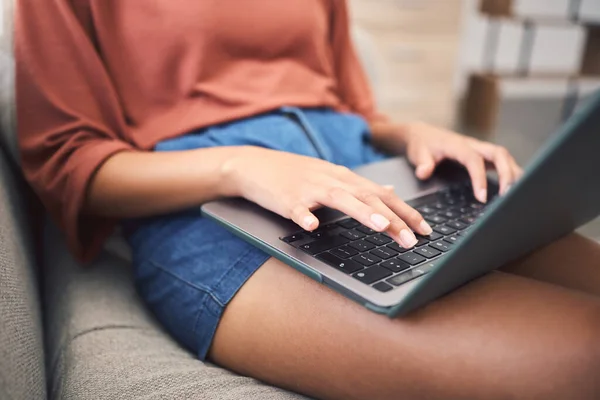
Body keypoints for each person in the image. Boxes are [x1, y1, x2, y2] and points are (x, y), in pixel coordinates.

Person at [16, 1, 600, 399]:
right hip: (215, 209)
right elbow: (71, 163)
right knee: (581, 358)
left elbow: (355, 111)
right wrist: (239, 164)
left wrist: (413, 133)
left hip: (371, 177)